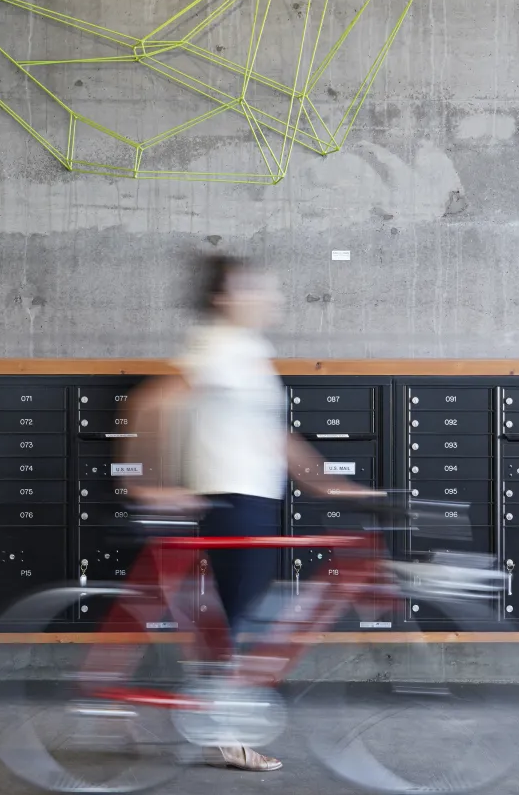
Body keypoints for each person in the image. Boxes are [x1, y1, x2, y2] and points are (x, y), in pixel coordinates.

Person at [120, 254, 380, 773]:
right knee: (235, 624)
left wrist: (324, 481)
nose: (268, 297)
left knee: (245, 616)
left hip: (255, 499)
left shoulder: (247, 351)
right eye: (253, 289)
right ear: (223, 297)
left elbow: (270, 432)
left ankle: (212, 714)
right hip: (234, 499)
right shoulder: (216, 347)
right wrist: (143, 482)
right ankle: (222, 732)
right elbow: (154, 401)